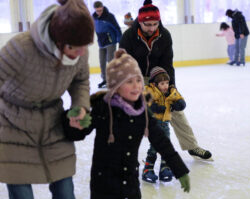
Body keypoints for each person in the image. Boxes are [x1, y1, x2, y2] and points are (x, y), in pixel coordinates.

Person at [62, 49, 191, 199]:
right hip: (104, 185)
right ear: (116, 85)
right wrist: (72, 119)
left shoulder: (142, 111)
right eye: (129, 82)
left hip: (130, 183)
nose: (136, 86)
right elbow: (77, 134)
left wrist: (180, 170)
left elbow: (161, 141)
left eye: (138, 80)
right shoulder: (103, 108)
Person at [0, 0, 93, 198]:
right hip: (12, 125)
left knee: (65, 192)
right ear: (58, 41)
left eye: (84, 47)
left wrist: (80, 107)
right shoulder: (21, 47)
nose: (81, 53)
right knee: (22, 194)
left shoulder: (80, 52)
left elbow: (81, 81)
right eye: (75, 48)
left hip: (52, 123)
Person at [120, 0, 212, 160]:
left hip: (158, 77)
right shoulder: (129, 36)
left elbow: (167, 64)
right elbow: (123, 64)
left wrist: (171, 89)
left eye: (155, 24)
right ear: (140, 21)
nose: (151, 28)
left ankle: (192, 146)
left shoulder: (164, 35)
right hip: (134, 78)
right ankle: (122, 154)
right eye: (147, 24)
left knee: (175, 109)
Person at [142, 66, 186, 183]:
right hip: (153, 125)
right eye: (162, 83)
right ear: (155, 83)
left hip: (165, 124)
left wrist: (180, 104)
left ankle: (164, 168)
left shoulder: (171, 91)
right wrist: (154, 107)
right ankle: (148, 169)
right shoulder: (149, 90)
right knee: (154, 147)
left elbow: (179, 99)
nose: (165, 86)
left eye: (166, 82)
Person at [93, 1, 122, 88]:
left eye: (100, 10)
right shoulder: (94, 17)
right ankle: (105, 79)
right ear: (95, 10)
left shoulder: (109, 16)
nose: (99, 12)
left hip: (110, 42)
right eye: (97, 11)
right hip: (101, 43)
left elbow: (117, 28)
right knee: (102, 62)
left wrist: (120, 40)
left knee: (110, 61)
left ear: (103, 7)